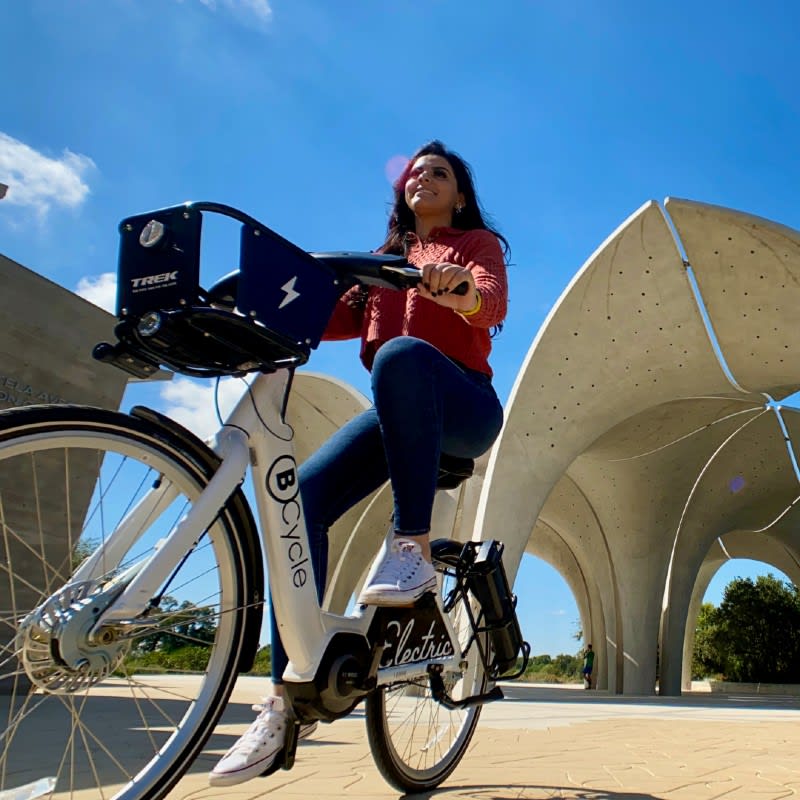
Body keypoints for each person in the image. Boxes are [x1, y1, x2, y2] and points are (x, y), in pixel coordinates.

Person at [209, 140, 510, 786]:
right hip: (396, 411)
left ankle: (412, 548)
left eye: (438, 172)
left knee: (402, 355)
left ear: (459, 195)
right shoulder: (379, 267)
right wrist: (252, 302)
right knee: (305, 498)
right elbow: (321, 316)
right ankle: (290, 697)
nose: (421, 178)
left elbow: (490, 300)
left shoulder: (475, 246)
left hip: (463, 404)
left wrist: (455, 289)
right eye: (413, 173)